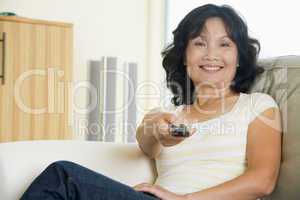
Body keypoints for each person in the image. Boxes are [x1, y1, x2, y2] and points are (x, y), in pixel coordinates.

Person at [20, 4, 282, 200]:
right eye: (200, 43)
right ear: (184, 56)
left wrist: (183, 199)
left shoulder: (258, 105)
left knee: (63, 177)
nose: (211, 54)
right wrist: (157, 130)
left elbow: (262, 181)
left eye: (224, 44)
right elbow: (145, 141)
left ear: (239, 57)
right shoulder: (169, 113)